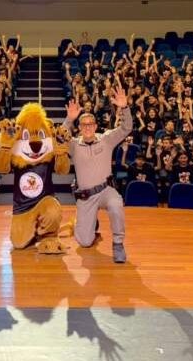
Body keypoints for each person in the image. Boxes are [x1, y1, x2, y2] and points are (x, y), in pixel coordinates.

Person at [63, 84, 132, 263]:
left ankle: (118, 244)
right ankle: (91, 223)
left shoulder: (106, 139)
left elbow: (126, 128)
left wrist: (124, 107)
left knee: (117, 204)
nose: (87, 127)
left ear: (95, 126)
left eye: (90, 124)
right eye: (83, 125)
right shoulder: (74, 145)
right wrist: (69, 120)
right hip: (85, 195)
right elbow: (60, 138)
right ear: (79, 128)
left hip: (105, 190)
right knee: (84, 242)